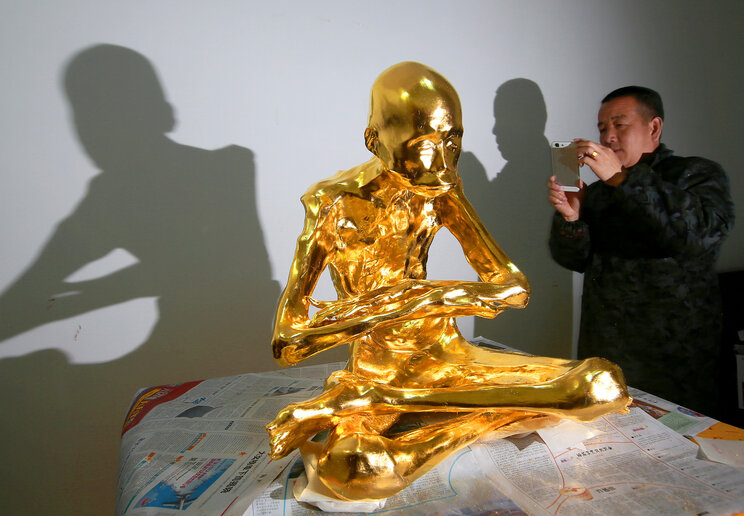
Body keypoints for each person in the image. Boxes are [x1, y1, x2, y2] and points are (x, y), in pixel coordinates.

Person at [266, 62, 630, 502]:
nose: (442, 163)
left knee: (603, 385)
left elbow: (513, 287)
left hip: (446, 358)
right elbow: (287, 342)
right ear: (373, 140)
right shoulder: (333, 203)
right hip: (381, 365)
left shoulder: (441, 190)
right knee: (358, 471)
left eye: (452, 141)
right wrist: (390, 309)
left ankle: (372, 401)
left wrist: (423, 296)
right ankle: (387, 399)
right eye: (424, 144)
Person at [547, 86, 735, 415]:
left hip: (677, 357)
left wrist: (622, 179)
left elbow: (698, 236)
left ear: (654, 127)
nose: (608, 136)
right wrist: (572, 218)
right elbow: (573, 259)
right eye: (602, 127)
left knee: (683, 450)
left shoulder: (695, 174)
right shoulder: (597, 192)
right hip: (605, 351)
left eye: (620, 124)